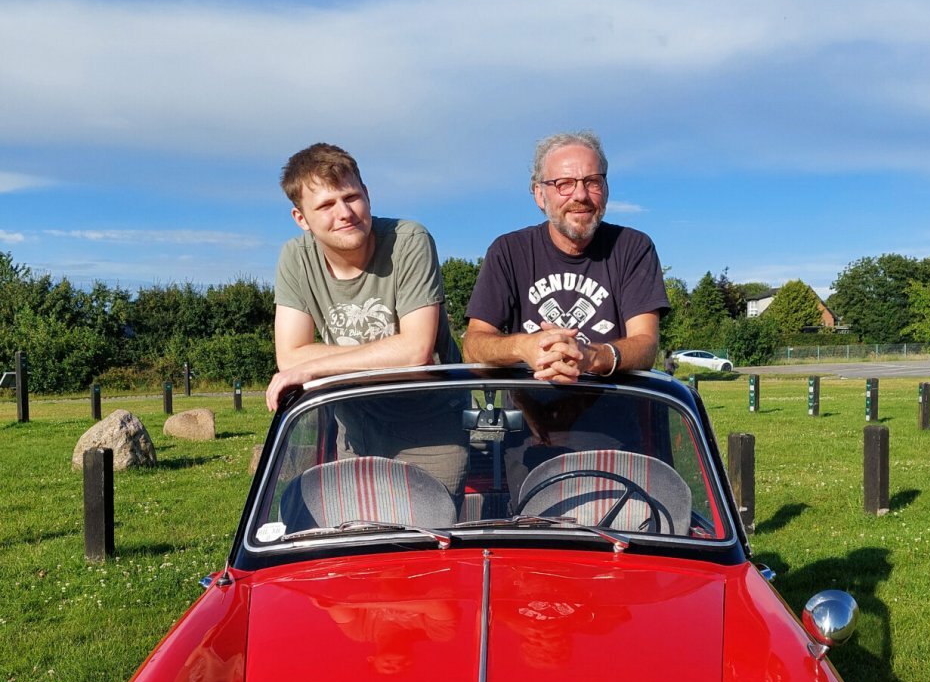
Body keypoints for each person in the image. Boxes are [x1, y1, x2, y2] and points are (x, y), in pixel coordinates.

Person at [266, 142, 466, 500]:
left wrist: (315, 368)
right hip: (353, 431)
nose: (344, 212)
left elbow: (415, 350)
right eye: (326, 205)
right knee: (359, 540)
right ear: (301, 219)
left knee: (427, 544)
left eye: (351, 197)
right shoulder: (295, 258)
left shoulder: (409, 241)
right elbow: (290, 357)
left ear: (368, 196)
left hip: (432, 431)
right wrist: (382, 353)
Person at [462, 130, 668, 383]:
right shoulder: (508, 251)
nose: (580, 195)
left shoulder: (633, 247)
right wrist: (523, 346)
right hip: (527, 416)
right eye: (564, 184)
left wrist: (591, 356)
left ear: (605, 189)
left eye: (592, 181)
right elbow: (473, 345)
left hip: (616, 414)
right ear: (540, 195)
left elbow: (646, 344)